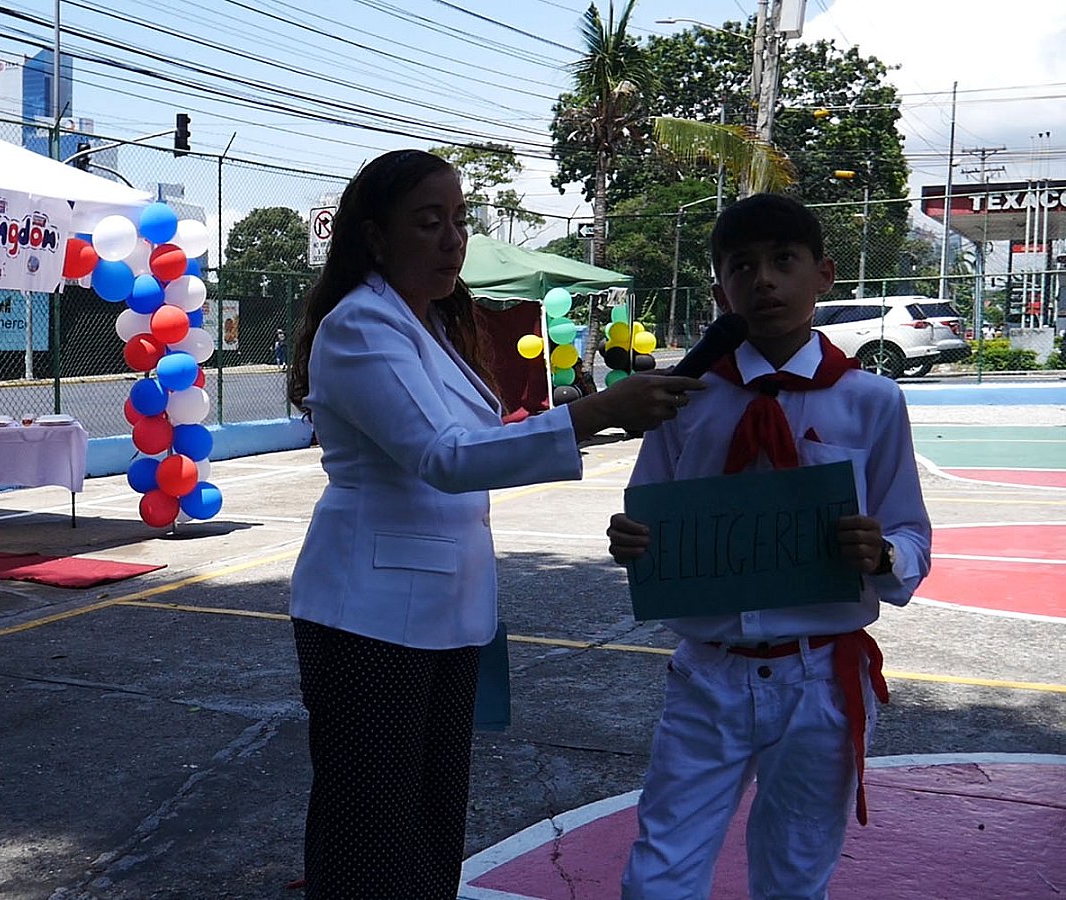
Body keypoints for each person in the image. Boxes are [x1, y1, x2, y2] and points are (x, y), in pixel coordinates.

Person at [286, 148, 704, 899]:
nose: (453, 240)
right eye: (429, 222)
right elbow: (444, 456)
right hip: (370, 615)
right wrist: (594, 414)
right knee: (369, 829)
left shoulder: (426, 325)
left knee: (431, 821)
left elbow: (469, 445)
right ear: (375, 236)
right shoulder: (360, 326)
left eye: (459, 220)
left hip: (444, 608)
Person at [606, 193, 932, 898]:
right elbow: (648, 513)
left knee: (793, 878)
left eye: (784, 261)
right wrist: (631, 538)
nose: (764, 281)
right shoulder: (683, 400)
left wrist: (881, 554)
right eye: (742, 266)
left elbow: (911, 536)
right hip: (708, 674)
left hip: (819, 679)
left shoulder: (871, 401)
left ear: (825, 274)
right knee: (657, 877)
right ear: (720, 290)